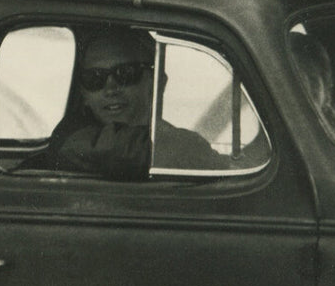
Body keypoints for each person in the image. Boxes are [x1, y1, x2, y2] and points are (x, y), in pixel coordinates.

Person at [44, 28, 227, 179]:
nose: (110, 88)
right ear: (84, 94)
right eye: (94, 78)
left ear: (157, 81)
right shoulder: (72, 137)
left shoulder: (171, 142)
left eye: (125, 73)